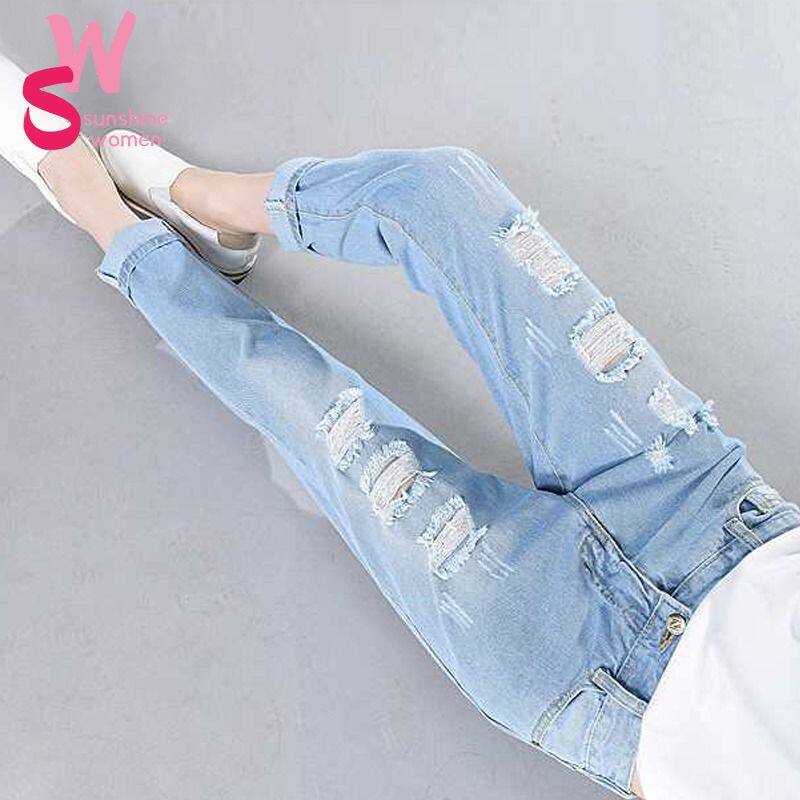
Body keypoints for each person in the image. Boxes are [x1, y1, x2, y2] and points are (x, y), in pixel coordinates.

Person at [2, 52, 798, 799]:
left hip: (588, 678)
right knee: (438, 192)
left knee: (295, 399)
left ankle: (107, 221)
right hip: (711, 512)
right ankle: (210, 204)